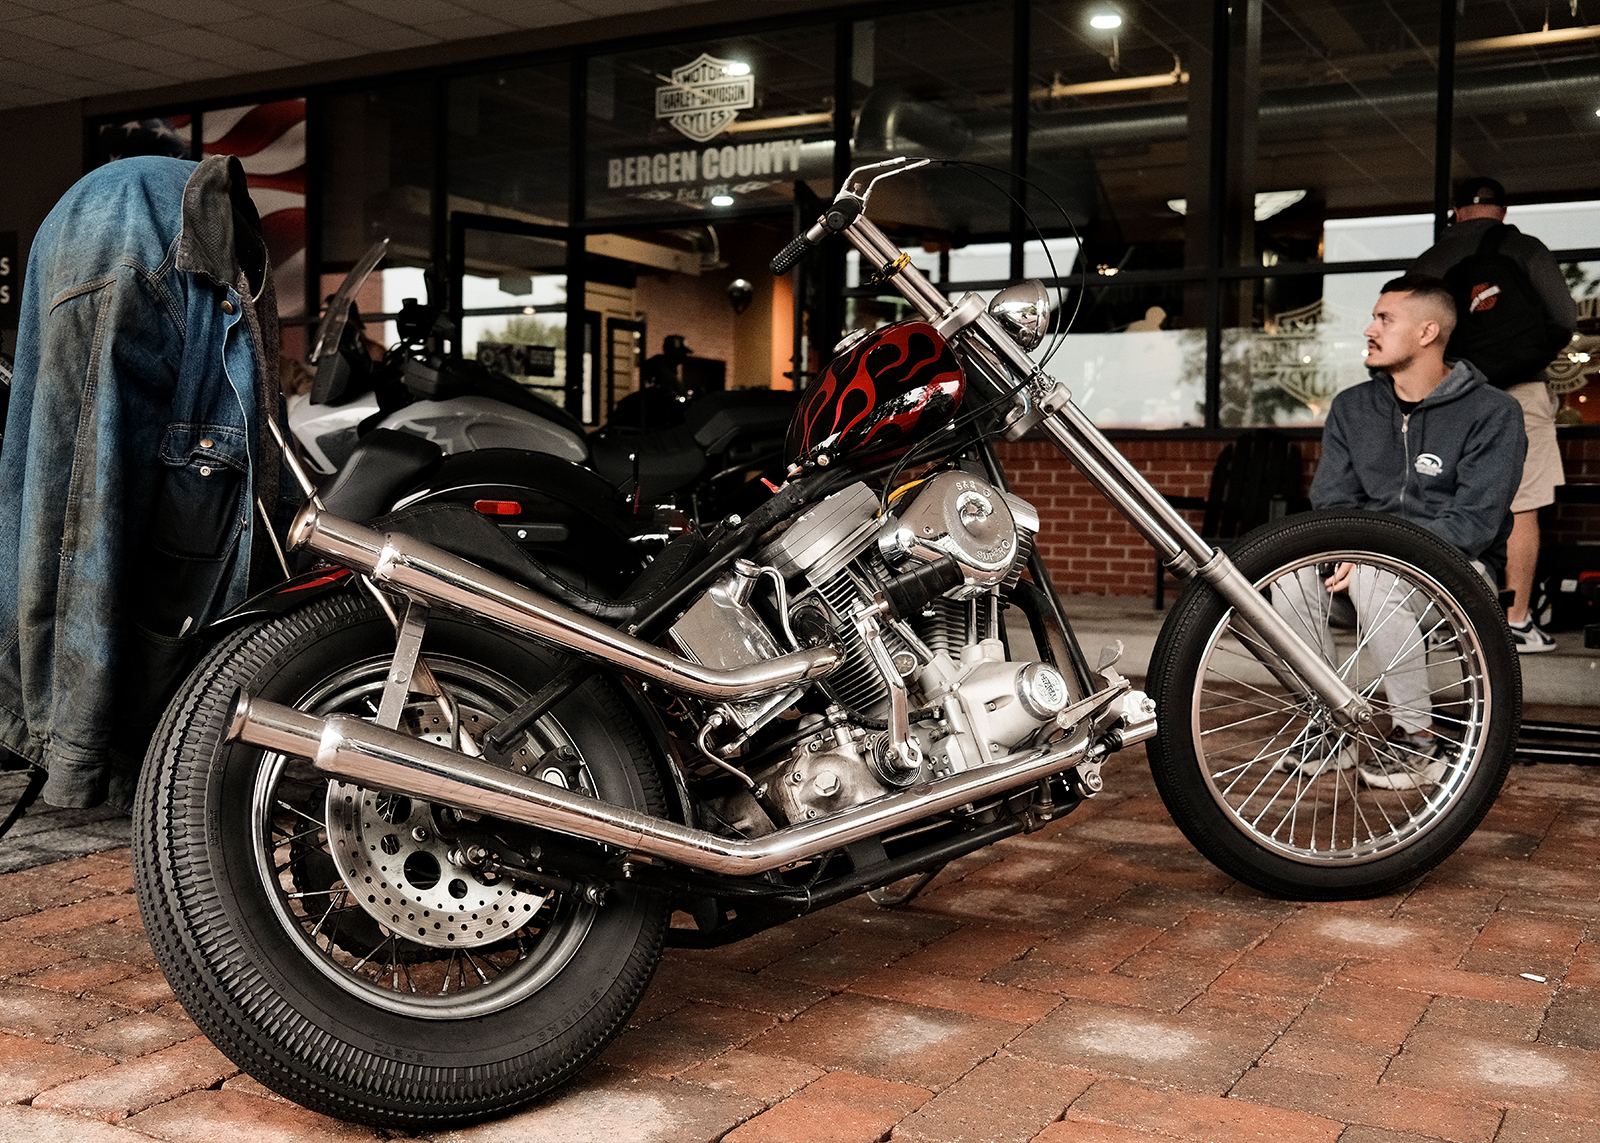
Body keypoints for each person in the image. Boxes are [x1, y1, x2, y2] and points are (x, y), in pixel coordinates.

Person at [1273, 274, 1525, 790]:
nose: (1370, 329)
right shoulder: (1352, 407)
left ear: (1428, 332)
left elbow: (1473, 522)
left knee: (1376, 576)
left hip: (1458, 574)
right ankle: (1333, 727)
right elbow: (1333, 502)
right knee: (1291, 580)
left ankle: (1418, 740)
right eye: (1373, 317)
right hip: (1360, 566)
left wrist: (1373, 555)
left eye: (1385, 319)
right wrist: (1353, 552)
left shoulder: (1494, 412)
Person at [1410, 177, 1577, 652]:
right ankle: (1516, 623)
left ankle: (1445, 621)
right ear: (1503, 211)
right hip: (1521, 391)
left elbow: (1410, 332)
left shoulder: (1431, 260)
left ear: (1456, 210)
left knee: (1441, 500)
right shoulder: (1527, 249)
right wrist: (1524, 353)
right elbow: (1565, 319)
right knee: (1522, 504)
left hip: (1448, 393)